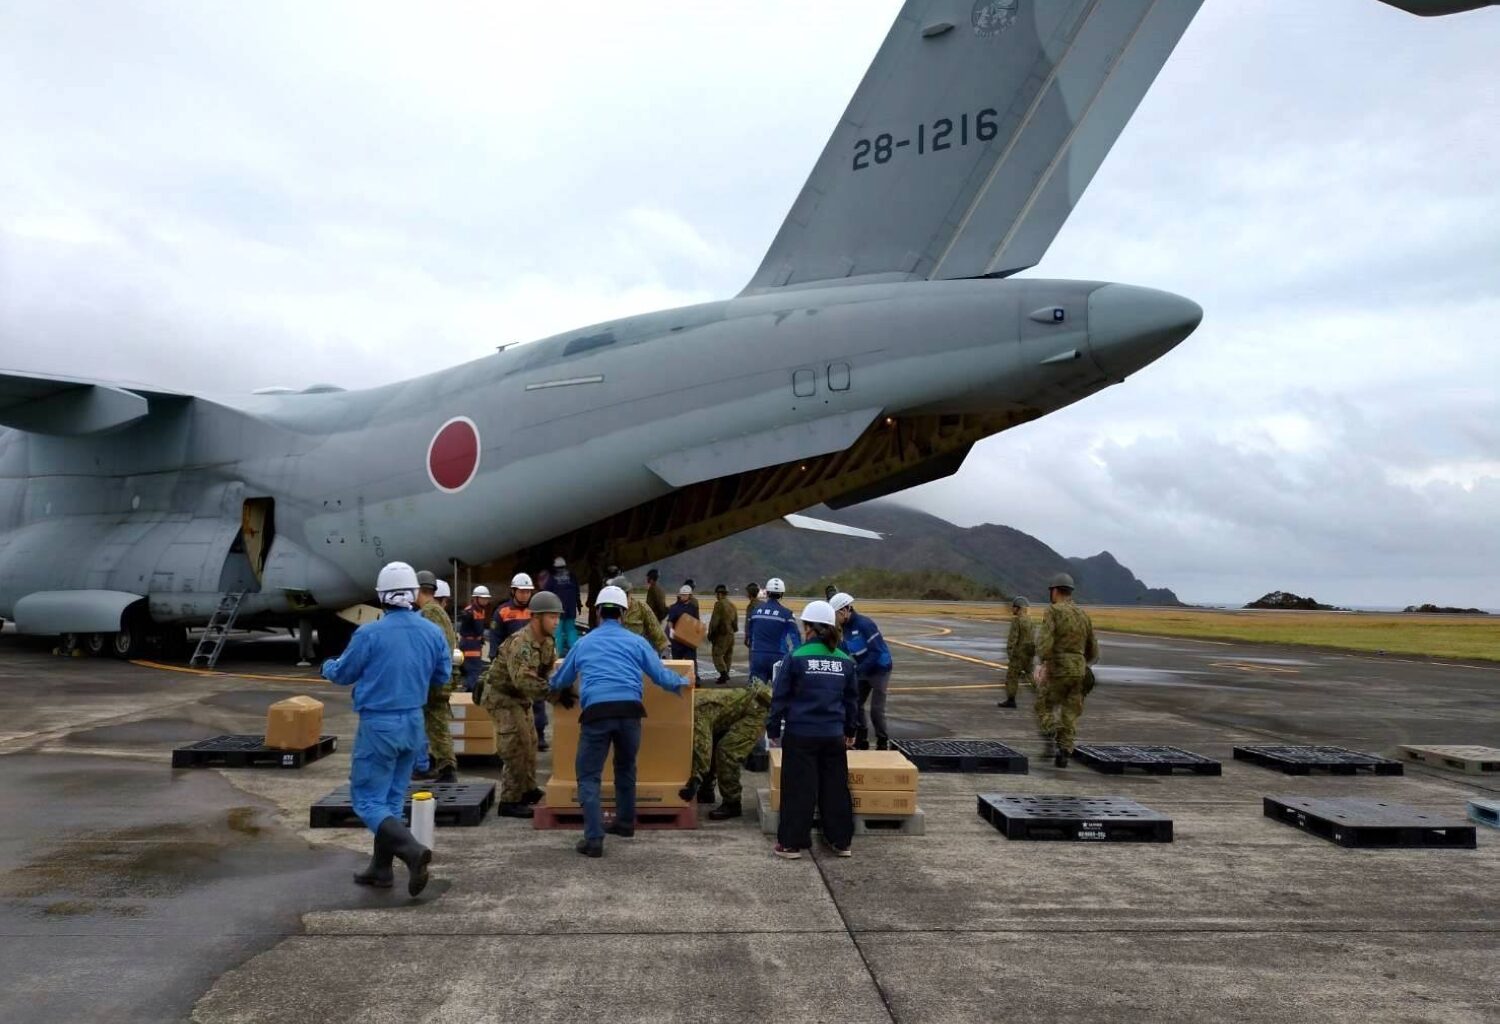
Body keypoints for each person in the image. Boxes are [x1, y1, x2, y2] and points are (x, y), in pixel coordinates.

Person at [321, 562, 449, 896]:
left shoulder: (369, 633)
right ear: (412, 594)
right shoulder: (431, 632)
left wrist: (326, 666)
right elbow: (442, 676)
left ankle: (411, 851)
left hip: (379, 724)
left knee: (367, 801)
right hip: (413, 725)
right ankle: (381, 869)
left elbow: (343, 673)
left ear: (381, 596)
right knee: (391, 800)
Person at [548, 585, 693, 858]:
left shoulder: (584, 643)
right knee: (626, 768)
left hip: (596, 714)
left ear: (599, 612)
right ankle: (625, 824)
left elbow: (561, 679)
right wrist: (684, 682)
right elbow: (661, 677)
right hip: (630, 714)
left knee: (589, 776)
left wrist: (550, 684)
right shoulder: (637, 642)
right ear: (624, 615)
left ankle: (593, 839)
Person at [764, 600, 859, 860]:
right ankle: (841, 841)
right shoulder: (845, 661)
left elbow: (779, 698)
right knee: (835, 789)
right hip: (833, 736)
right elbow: (852, 700)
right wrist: (850, 729)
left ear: (808, 628)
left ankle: (791, 844)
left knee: (798, 789)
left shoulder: (795, 657)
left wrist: (773, 729)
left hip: (801, 734)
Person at [481, 590, 563, 818]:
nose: (556, 622)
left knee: (530, 741)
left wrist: (559, 686)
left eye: (557, 617)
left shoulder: (547, 642)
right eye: (551, 617)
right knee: (515, 743)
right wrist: (554, 694)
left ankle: (526, 790)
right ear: (536, 617)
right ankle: (509, 801)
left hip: (520, 697)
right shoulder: (521, 643)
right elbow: (523, 679)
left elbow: (547, 673)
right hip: (502, 696)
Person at [1035, 573, 1099, 768]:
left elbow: (1045, 641)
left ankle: (1052, 729)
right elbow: (1093, 649)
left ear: (1055, 591)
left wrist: (1044, 663)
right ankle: (1064, 751)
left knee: (1043, 705)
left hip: (1058, 667)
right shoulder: (1083, 615)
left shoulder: (1053, 611)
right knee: (1070, 713)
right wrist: (1080, 663)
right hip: (1079, 670)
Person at [683, 682, 771, 819]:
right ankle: (706, 791)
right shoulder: (689, 700)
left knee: (726, 751)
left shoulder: (696, 710)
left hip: (755, 712)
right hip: (735, 711)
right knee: (714, 742)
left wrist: (695, 779)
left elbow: (702, 746)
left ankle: (732, 803)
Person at [829, 593, 894, 750]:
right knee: (854, 703)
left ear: (845, 610)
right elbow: (844, 649)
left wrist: (857, 670)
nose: (834, 619)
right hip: (863, 668)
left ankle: (882, 741)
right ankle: (861, 738)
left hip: (880, 669)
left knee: (876, 710)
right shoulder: (844, 628)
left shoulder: (865, 624)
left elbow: (876, 652)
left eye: (835, 614)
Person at [491, 572, 549, 751]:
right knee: (513, 701)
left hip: (534, 663)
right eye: (521, 591)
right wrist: (495, 658)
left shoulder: (536, 612)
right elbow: (495, 637)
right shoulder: (502, 612)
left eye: (527, 592)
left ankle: (539, 735)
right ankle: (515, 736)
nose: (524, 595)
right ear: (513, 591)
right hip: (511, 665)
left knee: (537, 699)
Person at [412, 570, 460, 783]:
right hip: (442, 677)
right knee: (437, 723)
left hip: (432, 680)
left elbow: (428, 649)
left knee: (429, 724)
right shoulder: (439, 612)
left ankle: (442, 767)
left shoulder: (428, 614)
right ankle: (444, 766)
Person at [745, 577, 799, 685]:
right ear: (782, 594)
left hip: (758, 657)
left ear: (767, 593)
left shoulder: (755, 612)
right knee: (779, 693)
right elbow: (794, 641)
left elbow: (749, 637)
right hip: (778, 657)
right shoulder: (787, 614)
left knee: (756, 694)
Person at [613, 575, 670, 655]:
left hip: (637, 654)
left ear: (629, 593)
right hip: (616, 654)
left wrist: (664, 649)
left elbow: (656, 632)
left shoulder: (641, 608)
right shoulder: (608, 610)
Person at [456, 585, 494, 691]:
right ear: (476, 599)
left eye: (487, 598)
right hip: (470, 645)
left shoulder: (481, 611)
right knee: (474, 670)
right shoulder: (469, 612)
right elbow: (464, 620)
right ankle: (469, 693)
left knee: (474, 670)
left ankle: (468, 691)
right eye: (483, 598)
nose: (486, 601)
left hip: (475, 644)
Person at [1001, 596, 1035, 710]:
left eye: (1014, 607)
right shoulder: (1030, 620)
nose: (1012, 609)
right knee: (1030, 676)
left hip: (1018, 654)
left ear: (1018, 608)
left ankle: (1011, 700)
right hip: (1029, 653)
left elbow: (1013, 639)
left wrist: (1010, 653)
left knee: (1011, 676)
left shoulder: (1017, 621)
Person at [544, 556, 582, 656]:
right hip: (570, 610)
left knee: (557, 633)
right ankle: (575, 654)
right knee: (571, 630)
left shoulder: (552, 579)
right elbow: (577, 592)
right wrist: (579, 605)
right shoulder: (572, 577)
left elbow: (546, 594)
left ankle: (557, 655)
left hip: (558, 611)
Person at [666, 584, 702, 684]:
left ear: (689, 596)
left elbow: (696, 622)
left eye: (685, 595)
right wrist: (671, 631)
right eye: (682, 595)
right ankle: (677, 681)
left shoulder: (693, 608)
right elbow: (670, 621)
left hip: (689, 641)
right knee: (677, 662)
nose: (683, 597)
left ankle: (695, 680)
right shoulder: (674, 608)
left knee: (692, 662)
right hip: (677, 641)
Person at [708, 584, 739, 685]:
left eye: (717, 594)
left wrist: (711, 633)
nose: (716, 596)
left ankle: (723, 673)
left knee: (717, 654)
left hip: (722, 634)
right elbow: (735, 622)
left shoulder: (719, 604)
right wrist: (733, 630)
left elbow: (714, 621)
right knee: (728, 655)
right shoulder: (732, 605)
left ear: (720, 594)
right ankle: (726, 674)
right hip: (731, 634)